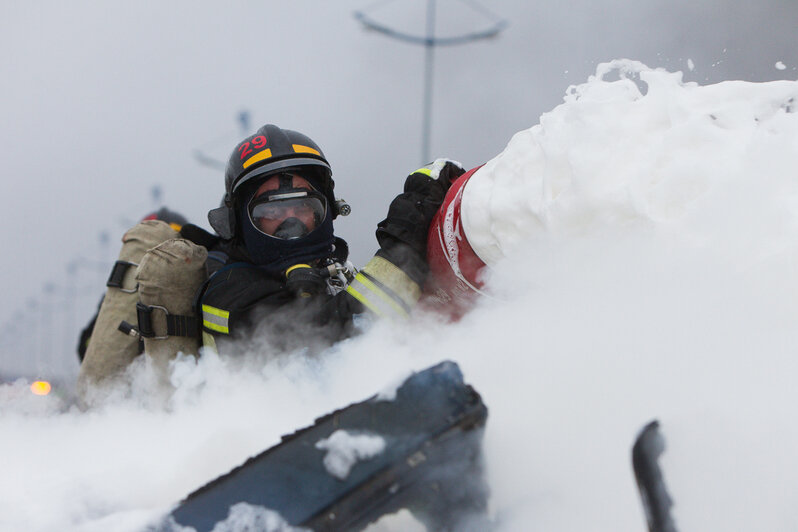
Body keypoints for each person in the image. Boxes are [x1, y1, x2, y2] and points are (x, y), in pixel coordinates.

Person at [178, 123, 465, 356]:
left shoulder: (332, 273)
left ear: (328, 209)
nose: (291, 222)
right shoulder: (229, 294)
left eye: (304, 207)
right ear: (239, 222)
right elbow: (345, 339)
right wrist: (407, 232)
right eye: (273, 210)